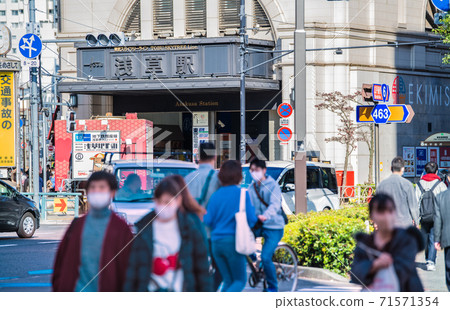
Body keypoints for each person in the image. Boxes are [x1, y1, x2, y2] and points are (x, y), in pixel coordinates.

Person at [124, 177, 212, 292]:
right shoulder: (144, 228)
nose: (163, 206)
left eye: (167, 202)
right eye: (159, 201)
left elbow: (202, 270)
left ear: (178, 200)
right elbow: (133, 270)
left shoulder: (190, 227)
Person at [52, 171, 133, 292]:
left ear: (112, 192)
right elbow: (61, 262)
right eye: (93, 187)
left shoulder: (121, 229)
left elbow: (129, 268)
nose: (97, 192)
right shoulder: (77, 226)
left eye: (102, 188)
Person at [351, 194, 425, 292]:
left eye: (390, 210)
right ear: (371, 215)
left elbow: (404, 269)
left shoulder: (406, 239)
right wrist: (374, 265)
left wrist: (384, 264)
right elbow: (355, 275)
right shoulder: (364, 243)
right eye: (381, 211)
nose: (386, 216)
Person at [204, 160, 258, 292]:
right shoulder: (242, 194)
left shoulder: (215, 195)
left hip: (216, 243)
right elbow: (251, 220)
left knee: (228, 280)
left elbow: (208, 220)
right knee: (239, 280)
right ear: (239, 176)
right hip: (234, 243)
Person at [184, 142, 222, 289]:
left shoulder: (188, 178)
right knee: (220, 269)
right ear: (215, 156)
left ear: (198, 156)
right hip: (212, 233)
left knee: (195, 270)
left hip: (192, 233)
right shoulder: (218, 179)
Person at [247, 158, 286, 292]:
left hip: (274, 226)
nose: (254, 173)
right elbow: (249, 206)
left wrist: (266, 215)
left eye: (256, 170)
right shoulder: (251, 187)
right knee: (243, 240)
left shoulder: (272, 185)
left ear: (264, 170)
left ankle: (272, 288)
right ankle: (254, 262)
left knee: (265, 256)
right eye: (251, 170)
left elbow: (275, 204)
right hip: (259, 225)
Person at [415, 162, 447, 271]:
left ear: (425, 170)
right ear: (436, 171)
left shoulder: (419, 184)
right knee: (433, 237)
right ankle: (431, 261)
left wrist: (416, 218)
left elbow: (416, 202)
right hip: (436, 216)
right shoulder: (440, 184)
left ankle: (428, 258)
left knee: (425, 237)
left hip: (423, 216)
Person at [376, 156, 418, 228]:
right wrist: (416, 222)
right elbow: (413, 206)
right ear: (403, 169)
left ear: (391, 168)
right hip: (405, 224)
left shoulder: (381, 185)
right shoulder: (408, 184)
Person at [434, 171, 450, 291]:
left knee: (449, 267)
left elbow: (438, 219)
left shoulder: (441, 197)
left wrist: (437, 239)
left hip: (448, 238)